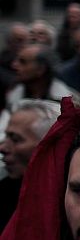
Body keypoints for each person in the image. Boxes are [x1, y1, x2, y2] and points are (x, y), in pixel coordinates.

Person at [0, 98, 61, 232]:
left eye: (15, 139)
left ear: (47, 145)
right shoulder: (5, 191)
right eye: (7, 136)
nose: (2, 148)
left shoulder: (64, 203)